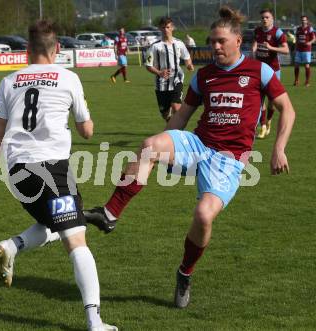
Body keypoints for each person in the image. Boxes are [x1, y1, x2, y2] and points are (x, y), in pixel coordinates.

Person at [84, 6, 295, 309]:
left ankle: (185, 273)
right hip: (198, 144)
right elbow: (181, 117)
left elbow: (288, 108)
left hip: (229, 159)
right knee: (149, 145)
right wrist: (164, 145)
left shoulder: (258, 71)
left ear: (238, 41)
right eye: (212, 41)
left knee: (203, 216)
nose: (215, 47)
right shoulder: (204, 76)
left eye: (221, 41)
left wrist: (278, 148)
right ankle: (110, 214)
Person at [0, 20, 117, 331]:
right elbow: (86, 130)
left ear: (27, 51)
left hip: (18, 172)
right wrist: (86, 125)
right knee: (75, 240)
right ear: (57, 49)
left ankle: (12, 246)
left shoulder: (9, 82)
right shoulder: (68, 78)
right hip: (52, 171)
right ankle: (94, 320)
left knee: (52, 221)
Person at [145, 17, 194, 121]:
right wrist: (159, 72)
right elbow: (148, 66)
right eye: (163, 27)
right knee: (165, 113)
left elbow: (187, 58)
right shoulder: (154, 46)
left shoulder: (179, 43)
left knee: (176, 106)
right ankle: (171, 124)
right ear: (160, 28)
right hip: (161, 83)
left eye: (168, 27)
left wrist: (189, 65)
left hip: (177, 78)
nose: (165, 29)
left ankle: (179, 133)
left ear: (172, 28)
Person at [252, 8, 289, 139]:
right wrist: (254, 48)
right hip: (260, 69)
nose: (264, 19)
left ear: (272, 19)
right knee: (259, 98)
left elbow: (286, 50)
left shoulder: (277, 33)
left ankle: (268, 121)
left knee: (272, 101)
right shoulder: (257, 31)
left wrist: (271, 47)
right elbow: (256, 41)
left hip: (273, 71)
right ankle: (262, 126)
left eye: (267, 17)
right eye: (262, 17)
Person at [294, 15, 315, 87]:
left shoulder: (310, 28)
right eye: (302, 20)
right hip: (299, 50)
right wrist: (295, 48)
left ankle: (307, 81)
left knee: (306, 65)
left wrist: (309, 42)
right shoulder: (298, 29)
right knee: (296, 65)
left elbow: (314, 38)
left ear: (307, 21)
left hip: (306, 50)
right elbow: (296, 39)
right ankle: (296, 80)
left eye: (305, 20)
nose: (303, 21)